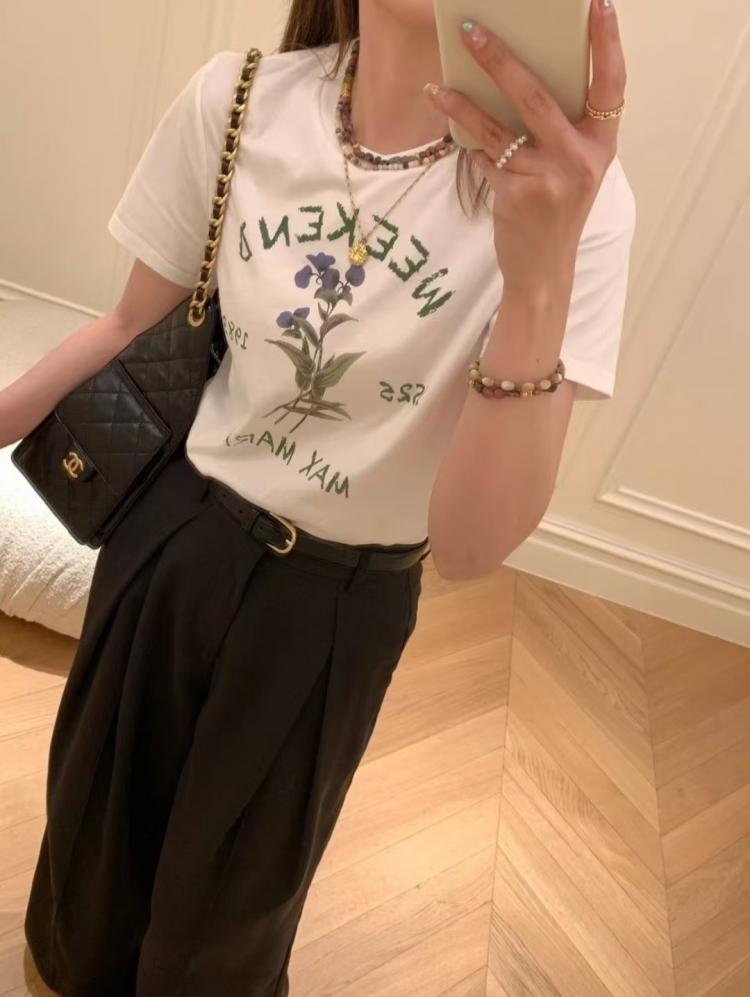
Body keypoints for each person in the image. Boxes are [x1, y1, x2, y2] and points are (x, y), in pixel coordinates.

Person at [10, 0, 635, 993]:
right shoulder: (239, 99)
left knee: (230, 913)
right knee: (92, 833)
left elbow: (470, 547)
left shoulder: (570, 195)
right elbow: (130, 323)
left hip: (335, 602)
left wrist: (539, 281)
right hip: (173, 533)